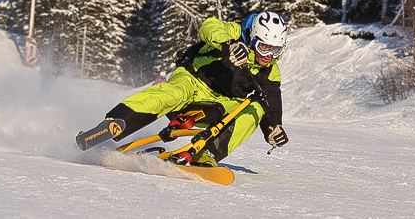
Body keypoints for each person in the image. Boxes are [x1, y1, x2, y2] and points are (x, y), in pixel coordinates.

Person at [104, 11, 290, 167]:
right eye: (264, 47)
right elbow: (209, 27)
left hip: (219, 104)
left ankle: (206, 153)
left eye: (276, 50)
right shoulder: (235, 32)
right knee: (174, 94)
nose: (268, 55)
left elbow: (270, 104)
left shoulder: (271, 71)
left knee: (255, 108)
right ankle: (116, 123)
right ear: (253, 37)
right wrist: (230, 45)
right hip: (193, 80)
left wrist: (273, 129)